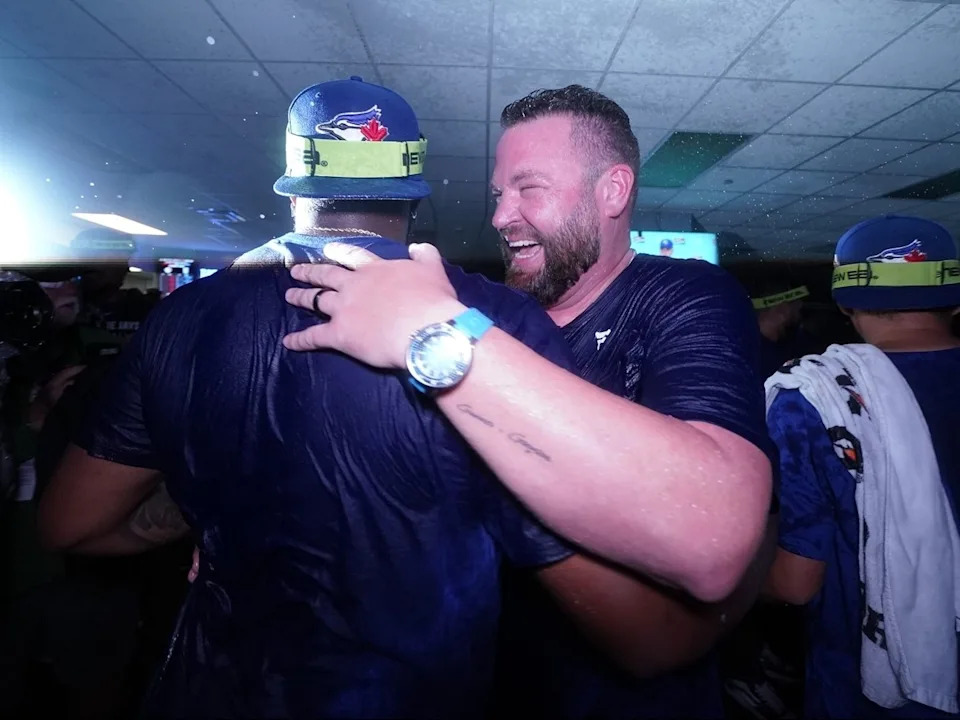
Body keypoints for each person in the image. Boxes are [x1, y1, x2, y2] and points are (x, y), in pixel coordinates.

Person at [37, 78, 723, 720]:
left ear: (296, 182)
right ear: (411, 189)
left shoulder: (180, 321)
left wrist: (214, 511)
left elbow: (73, 524)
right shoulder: (488, 324)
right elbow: (644, 632)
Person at [283, 85, 776, 719]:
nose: (500, 216)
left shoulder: (684, 297)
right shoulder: (488, 310)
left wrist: (433, 335)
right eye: (498, 195)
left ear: (613, 191)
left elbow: (708, 541)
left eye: (528, 188)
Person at [764, 215, 960, 719]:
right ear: (954, 299)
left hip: (864, 684)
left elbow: (795, 580)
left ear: (846, 302)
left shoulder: (814, 400)